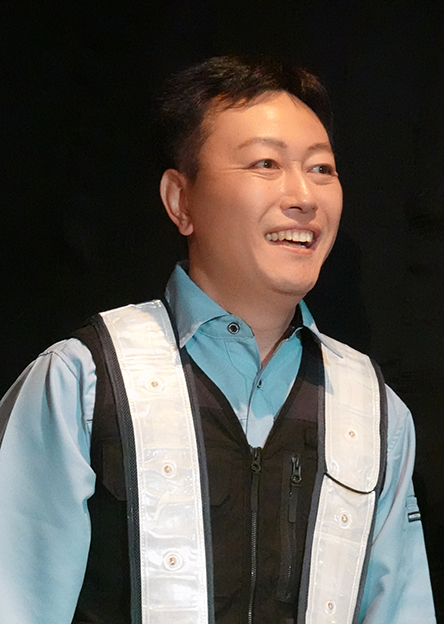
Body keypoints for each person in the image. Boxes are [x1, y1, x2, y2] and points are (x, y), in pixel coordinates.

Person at [0, 55, 436, 624]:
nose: (304, 196)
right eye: (265, 163)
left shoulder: (375, 412)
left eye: (321, 169)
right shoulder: (82, 383)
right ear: (180, 201)